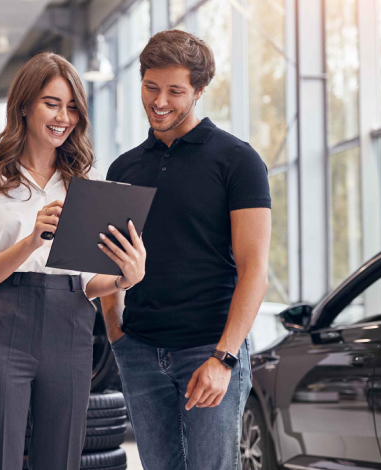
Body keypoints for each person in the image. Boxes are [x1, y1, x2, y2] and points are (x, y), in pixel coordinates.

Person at [0, 52, 147, 470]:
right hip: (3, 323)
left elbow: (88, 280)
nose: (64, 116)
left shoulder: (88, 183)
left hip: (71, 325)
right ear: (24, 106)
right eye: (52, 103)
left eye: (72, 106)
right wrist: (30, 241)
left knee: (60, 459)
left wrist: (123, 279)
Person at [101, 30, 272, 469]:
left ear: (198, 91)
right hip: (139, 351)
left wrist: (224, 357)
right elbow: (110, 259)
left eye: (175, 91)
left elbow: (255, 269)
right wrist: (117, 333)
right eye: (150, 87)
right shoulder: (124, 167)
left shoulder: (237, 160)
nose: (160, 101)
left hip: (208, 350)